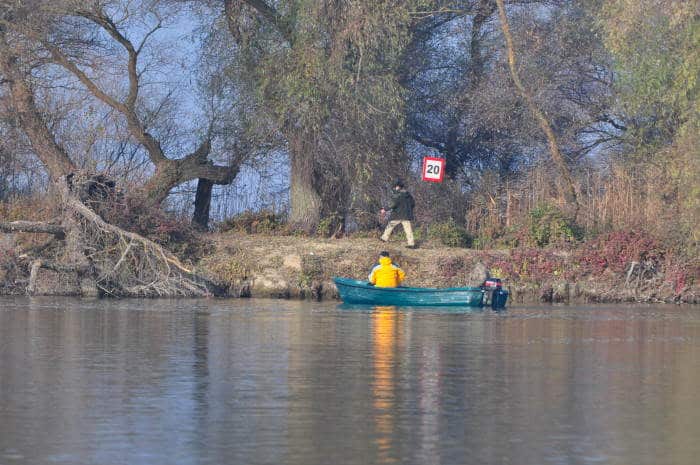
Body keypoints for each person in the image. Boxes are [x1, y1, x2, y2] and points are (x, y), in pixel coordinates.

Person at [380, 179, 415, 248]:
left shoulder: (397, 194)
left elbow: (393, 204)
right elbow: (413, 204)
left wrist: (384, 209)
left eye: (395, 187)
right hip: (406, 215)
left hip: (397, 214)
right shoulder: (408, 195)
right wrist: (408, 210)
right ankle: (411, 244)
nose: (394, 188)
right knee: (408, 230)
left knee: (390, 226)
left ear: (398, 187)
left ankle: (384, 238)